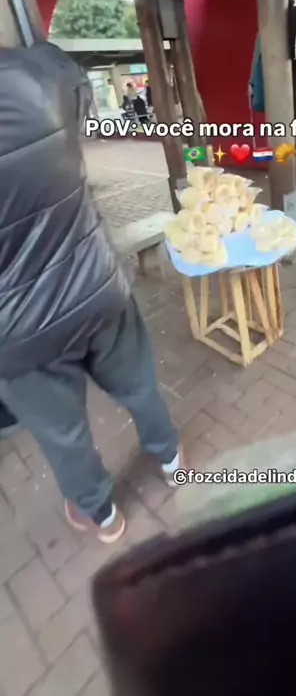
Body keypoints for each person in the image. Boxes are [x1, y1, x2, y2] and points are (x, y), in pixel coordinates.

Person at [0, 43, 183, 544]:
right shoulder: (40, 72)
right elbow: (75, 86)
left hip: (18, 334)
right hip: (96, 287)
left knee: (63, 434)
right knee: (140, 384)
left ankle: (101, 514)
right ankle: (170, 457)